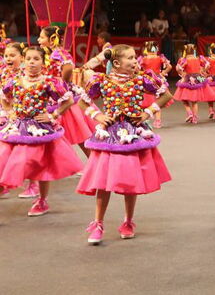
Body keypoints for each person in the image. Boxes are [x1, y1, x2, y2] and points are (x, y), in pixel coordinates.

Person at [76, 44, 173, 244]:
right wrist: (99, 115)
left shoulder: (142, 79)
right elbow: (82, 101)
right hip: (109, 136)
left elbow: (166, 95)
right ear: (117, 63)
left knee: (131, 180)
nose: (134, 61)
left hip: (133, 134)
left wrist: (148, 113)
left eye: (134, 57)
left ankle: (128, 221)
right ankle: (98, 223)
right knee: (103, 182)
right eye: (130, 58)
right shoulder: (101, 81)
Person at [0, 46, 83, 219]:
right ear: (23, 60)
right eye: (28, 59)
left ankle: (42, 200)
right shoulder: (15, 80)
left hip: (39, 129)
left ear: (42, 62)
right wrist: (9, 112)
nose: (31, 62)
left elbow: (67, 101)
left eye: (36, 59)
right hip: (16, 127)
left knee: (42, 166)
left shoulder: (49, 82)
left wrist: (52, 115)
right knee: (4, 163)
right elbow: (4, 96)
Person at [38, 26, 92, 158]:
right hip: (54, 95)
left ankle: (92, 165)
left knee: (79, 135)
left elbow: (68, 68)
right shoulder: (51, 54)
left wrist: (61, 82)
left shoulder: (58, 53)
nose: (39, 39)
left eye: (42, 37)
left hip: (62, 97)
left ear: (52, 39)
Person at [174, 44, 211, 124]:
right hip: (198, 78)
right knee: (194, 101)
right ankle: (194, 118)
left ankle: (189, 113)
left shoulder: (184, 60)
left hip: (187, 79)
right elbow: (207, 65)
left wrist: (182, 73)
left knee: (184, 99)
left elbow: (178, 68)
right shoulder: (199, 58)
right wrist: (203, 71)